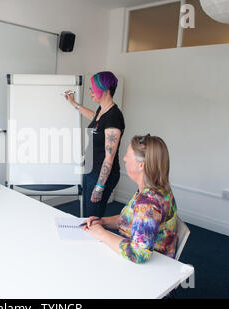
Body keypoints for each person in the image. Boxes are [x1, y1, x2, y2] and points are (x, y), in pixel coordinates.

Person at [81, 134, 178, 264]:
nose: (124, 158)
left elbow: (138, 254)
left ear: (141, 165)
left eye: (128, 155)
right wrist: (102, 221)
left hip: (152, 269)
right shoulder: (155, 190)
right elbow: (129, 220)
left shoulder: (149, 202)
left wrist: (101, 234)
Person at [65, 71, 125, 218]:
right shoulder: (102, 110)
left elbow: (109, 158)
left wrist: (100, 186)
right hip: (91, 169)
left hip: (100, 174)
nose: (90, 91)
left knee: (92, 219)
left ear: (106, 91)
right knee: (87, 215)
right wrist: (74, 104)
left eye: (93, 88)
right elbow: (94, 119)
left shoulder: (114, 117)